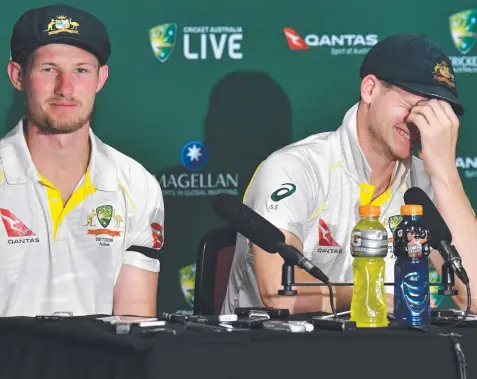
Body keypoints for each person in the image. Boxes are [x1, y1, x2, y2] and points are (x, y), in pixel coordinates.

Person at [222, 34, 477, 315]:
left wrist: (446, 173)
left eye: (434, 115)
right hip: (270, 351)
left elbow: (474, 299)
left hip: (381, 353)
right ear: (370, 89)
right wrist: (370, 296)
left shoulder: (427, 181)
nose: (420, 124)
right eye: (414, 108)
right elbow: (280, 293)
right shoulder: (295, 167)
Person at [0, 4, 164, 317]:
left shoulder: (136, 183)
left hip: (97, 366)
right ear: (17, 75)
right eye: (48, 69)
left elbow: (133, 321)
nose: (65, 88)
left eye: (81, 70)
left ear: (101, 78)